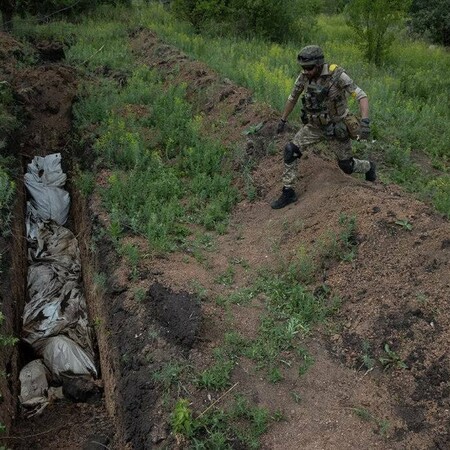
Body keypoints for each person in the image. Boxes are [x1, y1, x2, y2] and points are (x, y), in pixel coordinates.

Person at [271, 45, 376, 209]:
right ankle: (288, 192)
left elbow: (361, 96)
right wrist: (283, 120)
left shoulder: (337, 76)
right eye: (303, 68)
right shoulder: (304, 77)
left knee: (346, 166)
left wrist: (365, 121)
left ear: (319, 64)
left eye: (310, 68)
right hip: (314, 126)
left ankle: (368, 166)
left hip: (337, 127)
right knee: (290, 150)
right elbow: (293, 98)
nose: (306, 71)